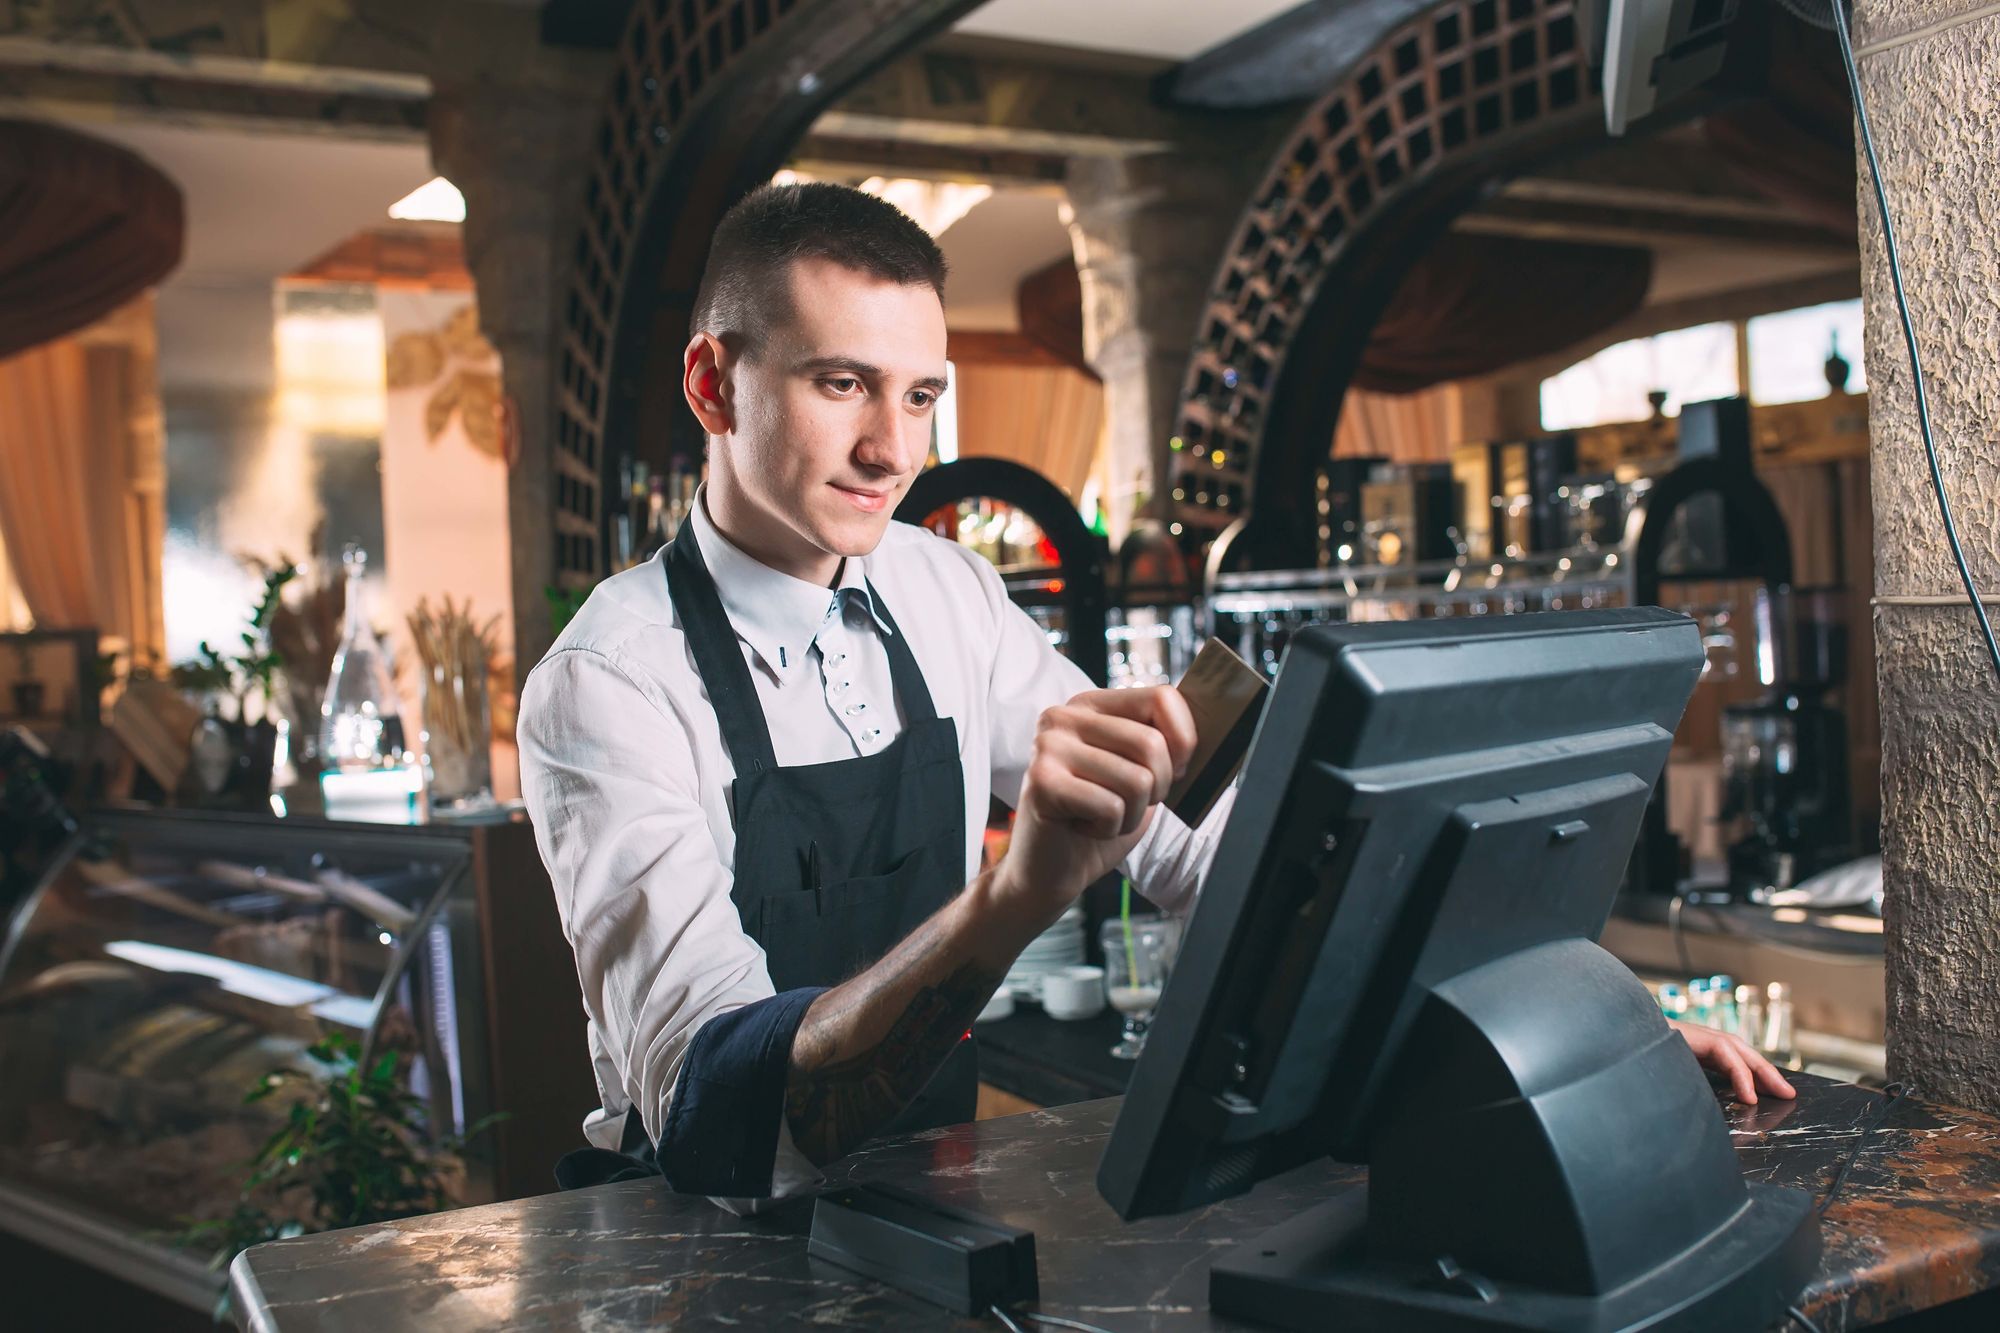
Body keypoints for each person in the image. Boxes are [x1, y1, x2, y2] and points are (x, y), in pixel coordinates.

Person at [517, 181, 1791, 1204]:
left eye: (917, 397)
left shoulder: (943, 592)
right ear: (711, 385)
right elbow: (719, 1117)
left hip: (926, 1216)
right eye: (839, 383)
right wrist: (1017, 897)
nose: (890, 450)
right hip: (703, 1261)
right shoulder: (610, 682)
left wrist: (1560, 1037)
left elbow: (1213, 847)